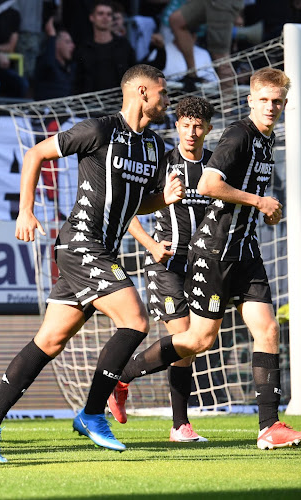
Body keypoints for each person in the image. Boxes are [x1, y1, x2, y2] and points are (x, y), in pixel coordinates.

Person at [0, 64, 183, 462]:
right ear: (140, 92)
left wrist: (163, 199)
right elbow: (35, 153)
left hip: (104, 250)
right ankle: (92, 414)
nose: (166, 100)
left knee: (49, 340)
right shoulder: (99, 130)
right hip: (81, 243)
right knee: (135, 321)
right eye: (162, 93)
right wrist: (26, 211)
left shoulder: (153, 146)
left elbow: (138, 202)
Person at [108, 68, 301, 450]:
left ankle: (269, 426)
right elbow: (208, 184)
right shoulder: (239, 135)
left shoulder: (267, 140)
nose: (270, 107)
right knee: (198, 340)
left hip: (245, 250)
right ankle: (120, 377)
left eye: (277, 101)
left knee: (268, 330)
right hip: (214, 252)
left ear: (285, 103)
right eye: (263, 100)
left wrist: (259, 210)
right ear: (250, 101)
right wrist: (259, 201)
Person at [111, 96, 215, 442]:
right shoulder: (162, 163)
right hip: (166, 261)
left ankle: (122, 377)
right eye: (185, 125)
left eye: (198, 126)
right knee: (184, 334)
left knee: (192, 343)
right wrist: (152, 245)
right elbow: (129, 209)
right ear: (177, 127)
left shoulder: (215, 168)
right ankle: (179, 425)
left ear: (208, 130)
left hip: (202, 264)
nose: (191, 131)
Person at [169, 0, 243, 91]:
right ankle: (192, 74)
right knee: (176, 20)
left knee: (220, 57)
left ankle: (227, 104)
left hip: (222, 4)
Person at [74, 0, 136, 94]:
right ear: (92, 17)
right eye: (100, 14)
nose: (105, 18)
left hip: (120, 101)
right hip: (91, 103)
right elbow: (77, 81)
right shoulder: (83, 49)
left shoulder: (123, 46)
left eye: (109, 14)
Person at [34, 20, 76, 100]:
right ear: (56, 44)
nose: (72, 46)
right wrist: (52, 36)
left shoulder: (71, 69)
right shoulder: (44, 64)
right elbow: (49, 64)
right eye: (67, 42)